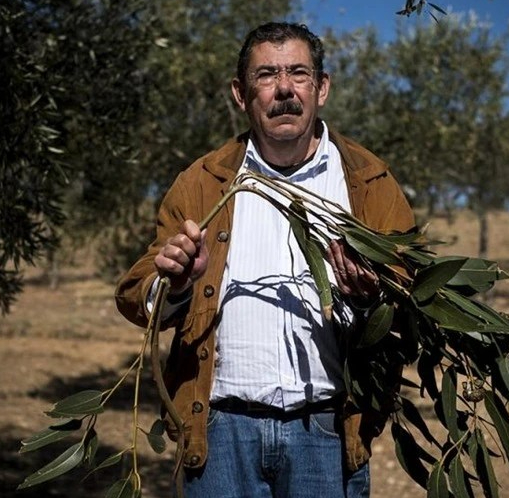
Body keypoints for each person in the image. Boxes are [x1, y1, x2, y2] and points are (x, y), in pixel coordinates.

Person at [115, 22, 415, 498]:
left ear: (322, 87)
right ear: (240, 93)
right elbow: (139, 296)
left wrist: (373, 298)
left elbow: (407, 293)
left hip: (325, 434)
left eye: (298, 73)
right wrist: (175, 284)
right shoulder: (203, 182)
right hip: (221, 434)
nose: (284, 90)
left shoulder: (369, 182)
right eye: (266, 75)